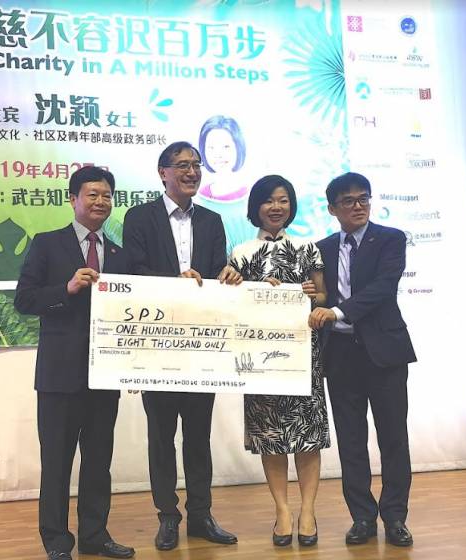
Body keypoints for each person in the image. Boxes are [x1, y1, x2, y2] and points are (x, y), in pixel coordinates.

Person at [122, 141, 242, 551]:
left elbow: (216, 270)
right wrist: (174, 283)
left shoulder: (212, 220)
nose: (192, 172)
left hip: (201, 345)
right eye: (183, 165)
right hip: (157, 344)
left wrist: (226, 274)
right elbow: (134, 271)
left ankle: (201, 515)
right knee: (161, 436)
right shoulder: (139, 217)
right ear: (163, 173)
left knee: (198, 435)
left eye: (196, 165)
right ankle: (167, 517)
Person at [14, 166, 135, 560]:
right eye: (92, 194)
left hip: (104, 376)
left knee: (99, 462)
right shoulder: (48, 244)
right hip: (59, 376)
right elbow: (24, 300)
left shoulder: (120, 255)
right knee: (57, 464)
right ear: (73, 199)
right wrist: (65, 289)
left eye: (106, 195)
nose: (100, 202)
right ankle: (56, 542)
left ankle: (95, 536)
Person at [309, 172, 416, 547]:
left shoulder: (390, 239)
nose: (358, 206)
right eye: (349, 201)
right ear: (332, 208)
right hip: (340, 355)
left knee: (393, 437)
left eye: (363, 199)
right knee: (351, 441)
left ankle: (396, 517)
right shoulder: (320, 248)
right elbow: (319, 296)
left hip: (384, 353)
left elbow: (382, 289)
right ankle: (362, 518)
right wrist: (310, 296)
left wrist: (337, 312)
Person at [228, 175, 330, 547]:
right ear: (255, 206)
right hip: (260, 358)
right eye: (269, 200)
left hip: (302, 353)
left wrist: (311, 296)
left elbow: (323, 297)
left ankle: (308, 511)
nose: (276, 207)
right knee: (271, 437)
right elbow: (232, 304)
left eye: (283, 200)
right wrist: (243, 287)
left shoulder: (307, 248)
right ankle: (282, 511)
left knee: (306, 437)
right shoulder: (241, 252)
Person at [195, 115, 256, 253]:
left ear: (238, 147)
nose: (218, 154)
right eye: (211, 147)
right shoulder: (197, 201)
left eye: (226, 147)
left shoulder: (254, 198)